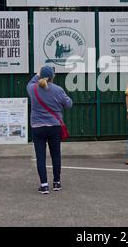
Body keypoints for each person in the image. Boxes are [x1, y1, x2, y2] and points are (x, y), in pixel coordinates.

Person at [27, 66, 72, 194]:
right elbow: (68, 104)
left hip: (37, 127)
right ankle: (57, 183)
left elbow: (30, 82)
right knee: (55, 155)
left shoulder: (32, 88)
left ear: (41, 75)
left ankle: (44, 185)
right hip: (54, 127)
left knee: (40, 157)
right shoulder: (58, 90)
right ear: (53, 76)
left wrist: (37, 74)